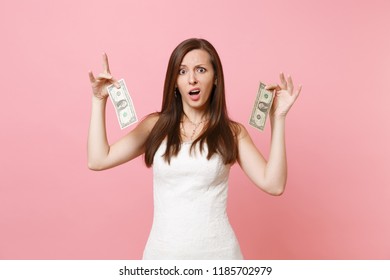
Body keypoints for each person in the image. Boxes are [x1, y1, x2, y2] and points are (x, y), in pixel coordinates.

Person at [87, 38, 301, 259]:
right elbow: (98, 159)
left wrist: (279, 118)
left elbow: (274, 184)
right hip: (162, 257)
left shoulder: (232, 132)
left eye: (201, 70)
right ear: (174, 82)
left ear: (216, 77)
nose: (192, 79)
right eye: (182, 71)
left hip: (220, 257)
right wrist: (98, 99)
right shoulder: (155, 126)